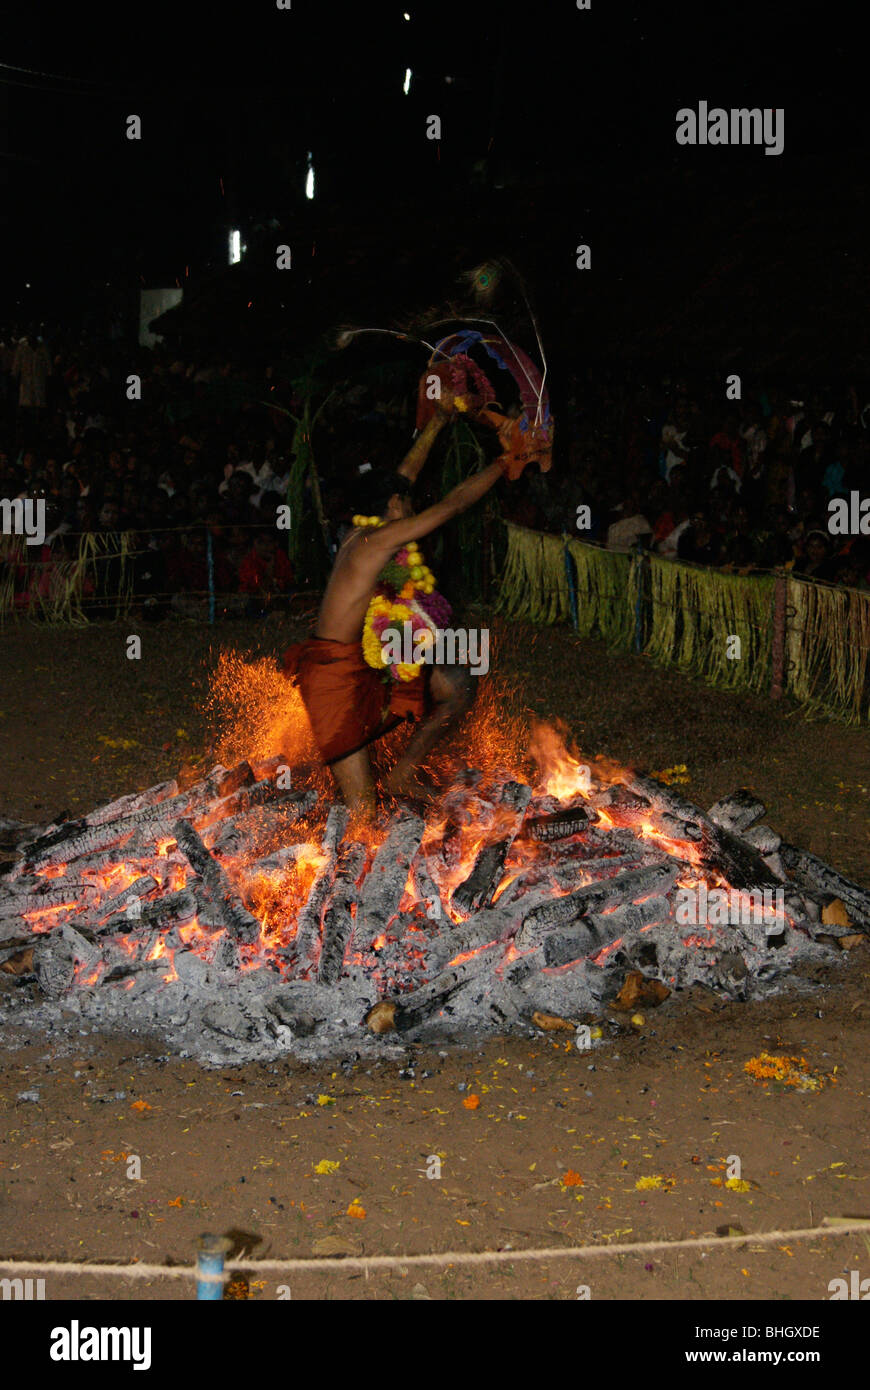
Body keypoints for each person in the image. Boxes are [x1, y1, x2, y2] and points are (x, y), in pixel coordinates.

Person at [281, 394, 518, 816]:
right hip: (332, 679)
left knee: (458, 682)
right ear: (393, 508)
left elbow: (402, 477)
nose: (411, 510)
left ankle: (403, 773)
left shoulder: (370, 526)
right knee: (363, 815)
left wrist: (437, 423)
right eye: (406, 504)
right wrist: (507, 460)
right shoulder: (376, 541)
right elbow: (454, 504)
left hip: (363, 664)